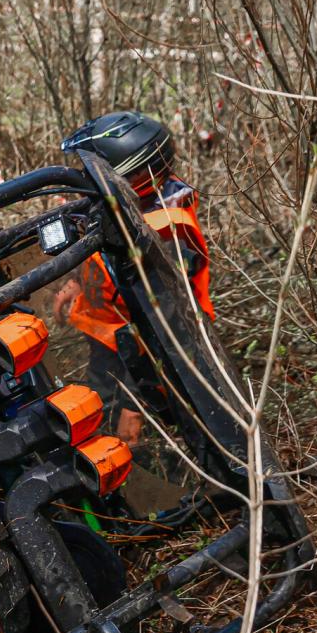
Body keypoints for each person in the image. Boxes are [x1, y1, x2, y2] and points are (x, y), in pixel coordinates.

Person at [50, 111, 213, 456]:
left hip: (156, 356)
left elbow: (163, 332)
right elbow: (108, 259)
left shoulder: (166, 233)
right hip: (110, 338)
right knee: (95, 409)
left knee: (169, 431)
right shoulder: (127, 212)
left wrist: (135, 403)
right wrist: (77, 283)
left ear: (133, 174)